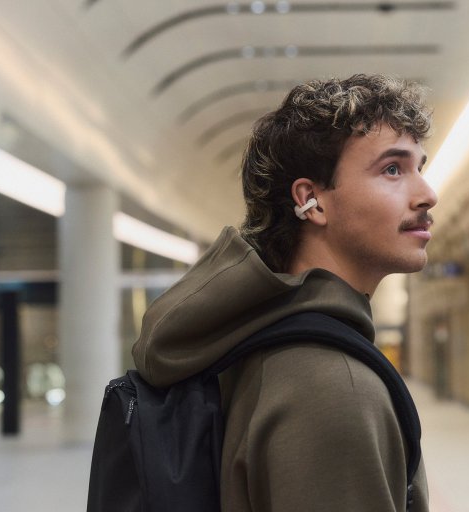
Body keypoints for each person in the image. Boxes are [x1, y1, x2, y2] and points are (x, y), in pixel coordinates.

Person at [132, 73, 438, 511]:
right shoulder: (333, 386)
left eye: (419, 168)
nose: (428, 195)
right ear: (311, 200)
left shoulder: (261, 340)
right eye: (393, 169)